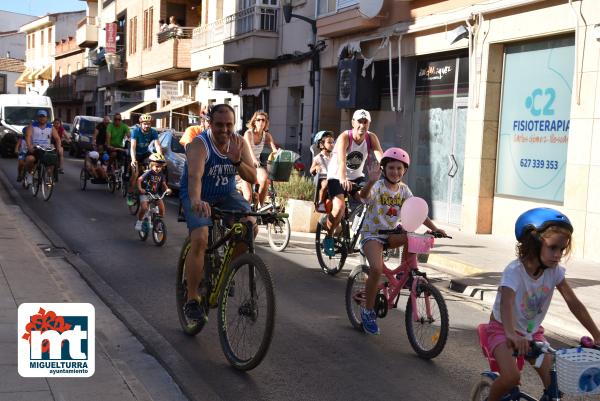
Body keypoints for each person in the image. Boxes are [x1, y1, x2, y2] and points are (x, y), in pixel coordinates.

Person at [485, 208, 600, 401]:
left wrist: (597, 334)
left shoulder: (554, 272)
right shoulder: (514, 271)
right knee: (512, 378)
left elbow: (574, 303)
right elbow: (507, 304)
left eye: (562, 249)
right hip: (502, 331)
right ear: (533, 243)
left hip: (532, 334)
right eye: (553, 247)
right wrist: (511, 333)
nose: (558, 255)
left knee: (557, 386)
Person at [179, 104, 257, 322]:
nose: (224, 129)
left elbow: (252, 177)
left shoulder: (239, 143)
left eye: (229, 125)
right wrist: (195, 200)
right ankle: (192, 299)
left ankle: (226, 273)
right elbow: (195, 176)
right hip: (199, 194)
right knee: (201, 238)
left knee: (249, 227)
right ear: (210, 124)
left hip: (226, 193)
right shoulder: (199, 145)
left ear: (234, 124)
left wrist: (236, 161)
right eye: (219, 125)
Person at [358, 148, 445, 335]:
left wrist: (436, 229)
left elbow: (418, 213)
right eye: (391, 168)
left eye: (399, 168)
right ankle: (367, 311)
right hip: (372, 234)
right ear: (384, 168)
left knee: (411, 234)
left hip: (391, 234)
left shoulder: (404, 190)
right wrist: (371, 181)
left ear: (404, 170)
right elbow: (363, 197)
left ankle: (404, 274)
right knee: (376, 269)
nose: (395, 172)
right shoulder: (378, 186)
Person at [323, 109, 384, 257]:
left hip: (357, 177)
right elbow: (342, 160)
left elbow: (381, 156)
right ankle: (329, 237)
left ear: (369, 124)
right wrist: (343, 178)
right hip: (336, 177)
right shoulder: (345, 137)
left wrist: (390, 173)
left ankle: (359, 230)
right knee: (340, 207)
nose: (362, 125)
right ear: (353, 123)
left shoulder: (371, 137)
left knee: (369, 199)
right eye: (359, 122)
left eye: (365, 122)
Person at [240, 111, 278, 206]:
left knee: (265, 178)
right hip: (244, 165)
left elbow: (274, 150)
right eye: (258, 120)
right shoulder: (248, 134)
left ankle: (259, 208)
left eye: (263, 120)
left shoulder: (267, 136)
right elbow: (249, 149)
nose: (261, 122)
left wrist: (280, 156)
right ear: (254, 122)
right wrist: (254, 160)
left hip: (256, 166)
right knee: (248, 197)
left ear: (266, 123)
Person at [127, 113, 162, 206]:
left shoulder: (153, 132)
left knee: (154, 166)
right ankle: (130, 194)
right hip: (135, 154)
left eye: (148, 123)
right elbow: (133, 147)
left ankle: (150, 188)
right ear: (141, 123)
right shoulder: (135, 131)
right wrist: (133, 159)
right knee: (135, 173)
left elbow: (157, 145)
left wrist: (160, 157)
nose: (147, 125)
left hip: (145, 153)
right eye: (145, 123)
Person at [135, 153, 171, 231]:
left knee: (162, 210)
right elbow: (139, 180)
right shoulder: (148, 172)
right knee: (144, 208)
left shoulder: (161, 174)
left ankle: (157, 222)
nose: (159, 168)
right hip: (146, 193)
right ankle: (139, 221)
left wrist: (167, 189)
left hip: (155, 194)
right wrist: (140, 189)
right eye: (157, 166)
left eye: (160, 167)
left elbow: (164, 184)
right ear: (151, 165)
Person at [24, 110, 62, 184]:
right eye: (40, 116)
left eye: (43, 117)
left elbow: (57, 138)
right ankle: (29, 174)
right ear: (37, 118)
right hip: (35, 148)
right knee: (30, 159)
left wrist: (59, 147)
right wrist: (29, 146)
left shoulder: (51, 127)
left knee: (52, 160)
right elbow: (28, 136)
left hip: (47, 149)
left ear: (46, 118)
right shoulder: (32, 126)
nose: (42, 118)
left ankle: (48, 176)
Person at [310, 130, 334, 212]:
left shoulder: (334, 156)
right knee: (326, 183)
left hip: (332, 177)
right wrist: (316, 167)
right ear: (321, 144)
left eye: (333, 142)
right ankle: (320, 202)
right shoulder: (318, 157)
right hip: (322, 178)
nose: (332, 145)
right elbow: (311, 170)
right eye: (329, 142)